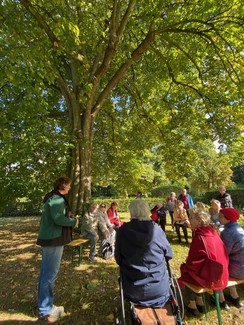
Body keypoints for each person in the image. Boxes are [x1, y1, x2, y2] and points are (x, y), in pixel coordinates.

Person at [115, 199, 173, 309]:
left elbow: (118, 259)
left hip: (133, 289)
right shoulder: (156, 229)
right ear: (147, 211)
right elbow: (169, 254)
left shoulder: (123, 231)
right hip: (159, 288)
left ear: (131, 212)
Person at [37, 177, 79, 322]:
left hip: (50, 239)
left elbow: (57, 216)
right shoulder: (57, 199)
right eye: (68, 185)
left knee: (45, 274)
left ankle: (45, 305)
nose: (69, 187)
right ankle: (46, 309)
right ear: (63, 185)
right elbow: (58, 219)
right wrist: (74, 221)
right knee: (49, 275)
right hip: (53, 240)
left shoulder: (52, 197)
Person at [178, 209, 229, 316]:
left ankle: (193, 305)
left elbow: (193, 261)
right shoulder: (213, 232)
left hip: (212, 277)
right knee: (193, 270)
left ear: (199, 221)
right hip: (222, 273)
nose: (189, 220)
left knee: (185, 271)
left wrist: (185, 267)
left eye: (191, 218)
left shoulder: (200, 236)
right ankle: (200, 302)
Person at [218, 208, 244, 309]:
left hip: (238, 270)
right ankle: (235, 297)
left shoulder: (228, 232)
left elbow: (223, 253)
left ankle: (221, 299)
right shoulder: (239, 228)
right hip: (240, 267)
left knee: (218, 267)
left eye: (220, 216)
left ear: (228, 219)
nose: (218, 218)